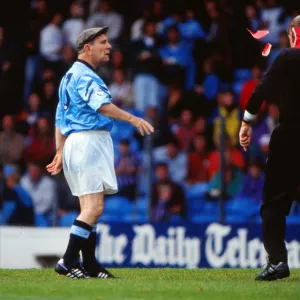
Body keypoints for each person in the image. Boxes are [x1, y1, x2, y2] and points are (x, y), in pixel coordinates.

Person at [46, 27, 153, 279]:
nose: (108, 47)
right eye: (103, 42)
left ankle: (90, 264)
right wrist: (133, 119)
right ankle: (68, 260)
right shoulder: (86, 77)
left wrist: (61, 150)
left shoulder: (68, 77)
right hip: (89, 143)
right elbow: (102, 106)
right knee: (94, 207)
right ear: (87, 48)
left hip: (74, 143)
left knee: (87, 207)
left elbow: (60, 118)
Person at [239, 16, 300, 281]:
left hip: (291, 136)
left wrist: (246, 122)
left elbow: (261, 91)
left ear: (293, 35)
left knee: (273, 203)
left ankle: (277, 262)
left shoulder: (287, 58)